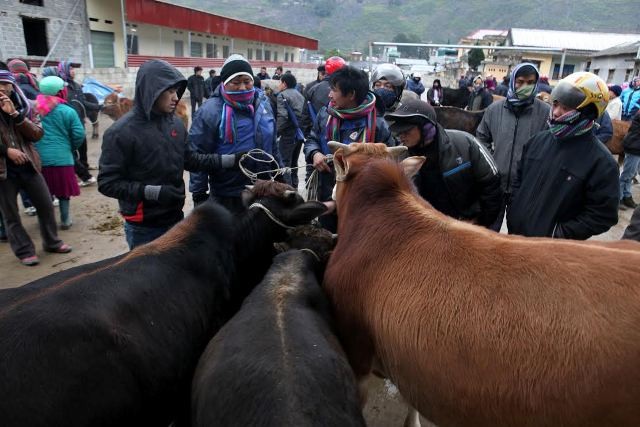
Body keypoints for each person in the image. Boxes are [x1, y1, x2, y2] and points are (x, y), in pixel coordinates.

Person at [98, 59, 236, 249]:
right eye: (169, 91)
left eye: (177, 91)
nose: (176, 97)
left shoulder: (175, 124)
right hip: (144, 226)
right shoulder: (120, 133)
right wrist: (152, 192)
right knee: (149, 277)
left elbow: (192, 160)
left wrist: (232, 160)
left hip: (175, 216)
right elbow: (107, 183)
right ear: (151, 91)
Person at [507, 72, 619, 240]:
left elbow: (603, 214)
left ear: (589, 112)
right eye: (555, 104)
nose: (557, 112)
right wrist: (514, 210)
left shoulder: (602, 162)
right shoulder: (536, 141)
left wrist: (559, 233)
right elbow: (518, 181)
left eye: (566, 108)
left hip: (552, 251)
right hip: (516, 238)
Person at [304, 65, 394, 232]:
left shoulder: (378, 124)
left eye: (334, 90)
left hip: (363, 201)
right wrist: (315, 153)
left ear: (351, 94)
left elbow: (391, 162)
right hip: (327, 190)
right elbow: (312, 139)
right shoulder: (325, 114)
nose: (329, 94)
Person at [188, 54, 282, 215]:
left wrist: (280, 174)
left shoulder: (263, 104)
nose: (243, 87)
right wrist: (199, 194)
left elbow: (273, 144)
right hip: (227, 195)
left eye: (247, 81)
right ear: (224, 83)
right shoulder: (209, 111)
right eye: (236, 82)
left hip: (263, 190)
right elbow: (197, 154)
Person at [385, 99, 502, 226]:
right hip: (426, 231)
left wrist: (480, 224)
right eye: (398, 131)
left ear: (425, 127)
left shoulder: (466, 144)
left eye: (406, 131)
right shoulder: (400, 158)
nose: (400, 136)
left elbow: (492, 186)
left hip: (466, 228)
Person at [0, 69, 72, 266]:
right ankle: (24, 251)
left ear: (12, 86)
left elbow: (37, 134)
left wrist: (14, 114)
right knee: (11, 215)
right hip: (4, 172)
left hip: (29, 166)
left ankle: (52, 242)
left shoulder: (27, 107)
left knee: (46, 205)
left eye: (5, 84)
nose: (2, 88)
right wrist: (6, 151)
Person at [475, 63, 551, 231]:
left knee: (520, 233)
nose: (525, 87)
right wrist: (492, 160)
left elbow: (550, 145)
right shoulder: (494, 110)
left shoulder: (545, 112)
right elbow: (481, 138)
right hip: (496, 183)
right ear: (512, 82)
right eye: (520, 81)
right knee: (488, 230)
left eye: (530, 82)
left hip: (526, 186)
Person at [34, 76, 85, 230]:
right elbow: (78, 134)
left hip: (37, 159)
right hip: (62, 158)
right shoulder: (67, 111)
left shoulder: (32, 109)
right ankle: (65, 219)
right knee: (64, 193)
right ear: (60, 92)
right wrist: (70, 147)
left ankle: (45, 222)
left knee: (42, 194)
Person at [56, 61, 98, 187]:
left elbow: (83, 102)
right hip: (68, 124)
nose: (73, 71)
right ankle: (79, 174)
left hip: (79, 121)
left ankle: (84, 166)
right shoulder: (61, 87)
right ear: (63, 70)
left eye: (74, 69)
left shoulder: (76, 86)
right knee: (72, 151)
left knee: (83, 147)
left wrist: (99, 106)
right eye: (71, 69)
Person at [276, 73, 305, 188]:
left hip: (288, 134)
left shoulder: (282, 95)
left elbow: (283, 117)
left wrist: (276, 132)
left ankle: (288, 190)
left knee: (285, 163)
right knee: (294, 162)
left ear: (284, 83)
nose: (279, 85)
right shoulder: (299, 94)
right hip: (299, 134)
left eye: (280, 82)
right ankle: (295, 186)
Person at [619, 111, 640, 209]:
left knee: (630, 174)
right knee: (627, 175)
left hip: (636, 147)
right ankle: (618, 198)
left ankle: (626, 196)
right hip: (634, 147)